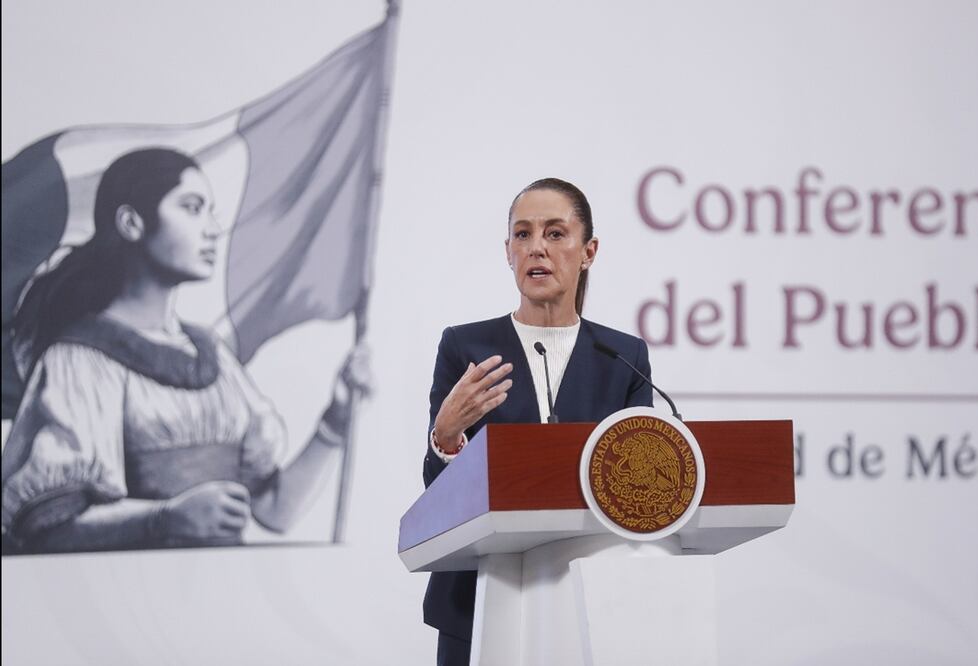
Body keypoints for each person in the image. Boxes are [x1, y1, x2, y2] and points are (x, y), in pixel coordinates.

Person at [0, 147, 368, 553]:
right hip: (128, 588)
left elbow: (273, 510)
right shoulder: (79, 359)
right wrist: (165, 517)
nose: (212, 229)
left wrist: (336, 420)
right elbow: (49, 528)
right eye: (192, 208)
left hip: (224, 585)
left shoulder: (213, 357)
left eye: (210, 211)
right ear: (131, 223)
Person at [422, 178, 654, 665]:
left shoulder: (623, 357)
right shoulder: (466, 348)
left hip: (591, 599)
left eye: (555, 233)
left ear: (588, 252)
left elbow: (641, 491)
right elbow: (438, 494)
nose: (536, 248)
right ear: (508, 252)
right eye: (523, 234)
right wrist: (445, 436)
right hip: (478, 597)